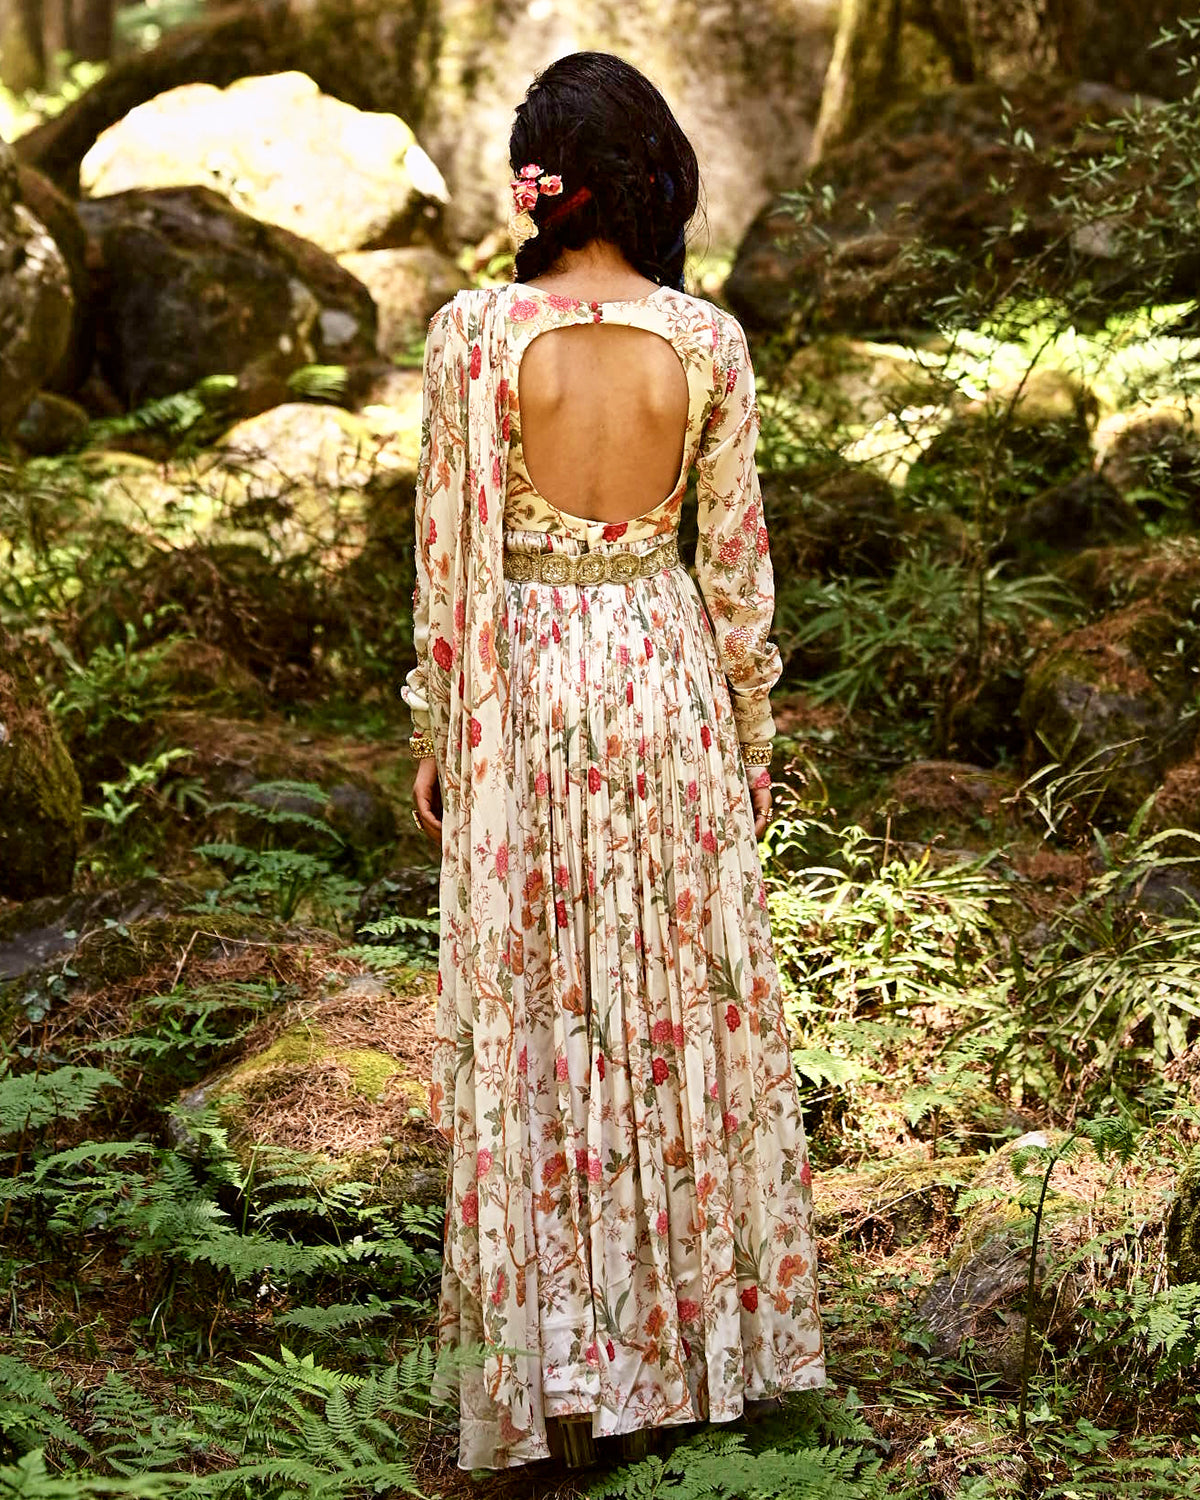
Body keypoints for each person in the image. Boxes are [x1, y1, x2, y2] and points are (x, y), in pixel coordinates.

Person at [400, 50, 824, 1474]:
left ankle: (558, 1382)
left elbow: (448, 555)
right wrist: (752, 738)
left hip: (525, 687)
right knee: (673, 1014)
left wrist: (436, 720)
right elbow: (738, 569)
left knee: (540, 1018)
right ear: (649, 177)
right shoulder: (708, 344)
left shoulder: (472, 334)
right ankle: (691, 1359)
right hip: (664, 678)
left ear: (540, 184)